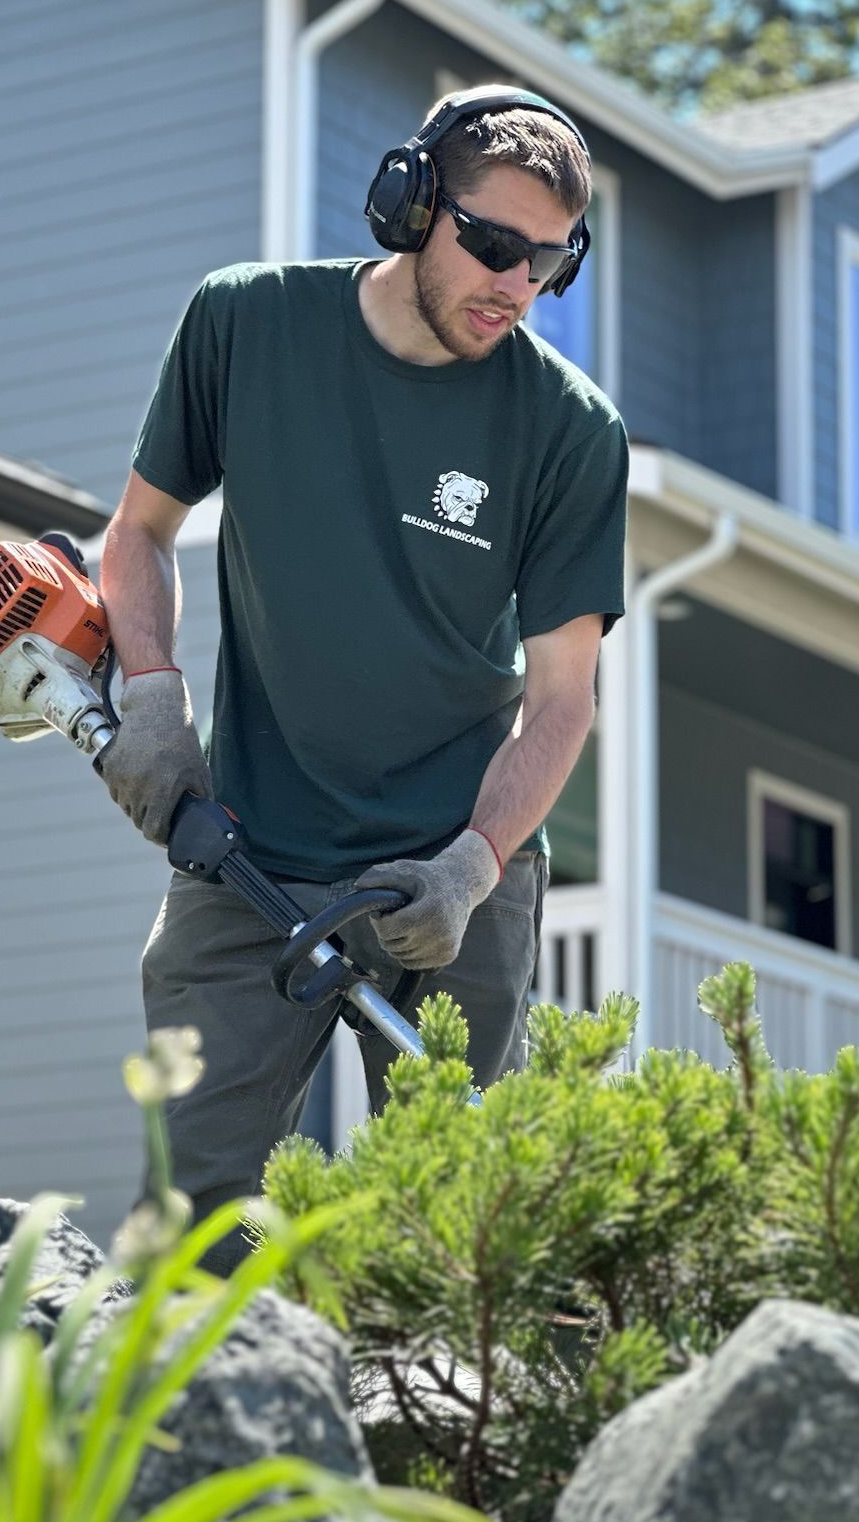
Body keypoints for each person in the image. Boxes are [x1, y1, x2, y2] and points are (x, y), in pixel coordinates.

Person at [97, 85, 628, 1274]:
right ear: (412, 203)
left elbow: (562, 700)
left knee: (457, 1255)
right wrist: (150, 695)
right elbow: (138, 533)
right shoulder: (246, 325)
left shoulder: (569, 429)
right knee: (187, 1234)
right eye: (492, 245)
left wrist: (472, 867)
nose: (515, 285)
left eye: (549, 263)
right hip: (246, 850)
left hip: (449, 874)